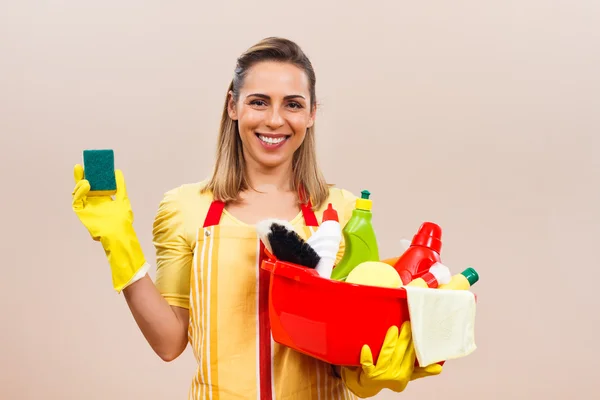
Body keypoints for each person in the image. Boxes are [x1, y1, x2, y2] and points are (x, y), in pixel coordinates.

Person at [71, 37, 442, 399]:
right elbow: (169, 343)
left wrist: (369, 377)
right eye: (259, 102)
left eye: (293, 104)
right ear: (233, 106)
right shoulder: (186, 208)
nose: (275, 119)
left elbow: (352, 345)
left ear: (312, 114)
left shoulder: (342, 212)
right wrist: (119, 243)